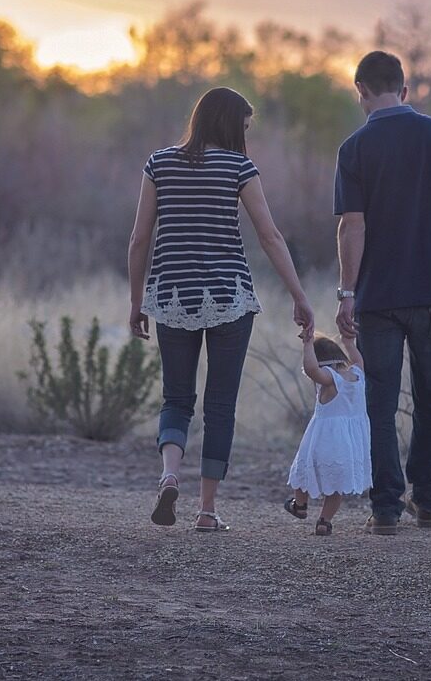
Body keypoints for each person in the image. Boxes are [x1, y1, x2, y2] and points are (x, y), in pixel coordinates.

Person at [128, 86, 314, 532]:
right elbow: (269, 236)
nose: (246, 136)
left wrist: (137, 302)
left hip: (171, 296)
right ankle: (207, 510)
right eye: (245, 127)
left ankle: (170, 473)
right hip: (229, 297)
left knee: (176, 398)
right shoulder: (239, 167)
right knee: (220, 406)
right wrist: (299, 296)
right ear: (231, 125)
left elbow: (139, 239)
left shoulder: (159, 164)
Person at [333, 51, 431, 535]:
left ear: (360, 90)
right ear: (405, 90)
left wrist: (346, 292)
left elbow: (351, 227)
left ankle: (384, 508)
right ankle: (428, 501)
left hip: (379, 298)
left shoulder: (354, 148)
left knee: (379, 403)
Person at [284, 332, 371, 536]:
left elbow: (311, 369)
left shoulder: (330, 379)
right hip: (349, 444)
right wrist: (349, 342)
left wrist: (307, 345)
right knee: (336, 485)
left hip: (324, 440)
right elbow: (358, 359)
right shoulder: (358, 374)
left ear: (323, 363)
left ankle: (300, 505)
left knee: (303, 471)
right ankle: (324, 521)